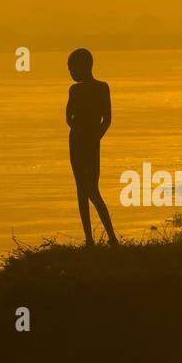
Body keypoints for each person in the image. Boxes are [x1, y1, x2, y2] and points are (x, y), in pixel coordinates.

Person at [65, 48, 119, 246]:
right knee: (82, 189)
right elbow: (69, 117)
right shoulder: (77, 90)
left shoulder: (99, 87)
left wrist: (93, 135)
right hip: (82, 141)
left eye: (72, 69)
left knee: (90, 190)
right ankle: (90, 239)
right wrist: (94, 134)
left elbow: (106, 118)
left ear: (83, 67)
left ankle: (111, 237)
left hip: (86, 141)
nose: (71, 73)